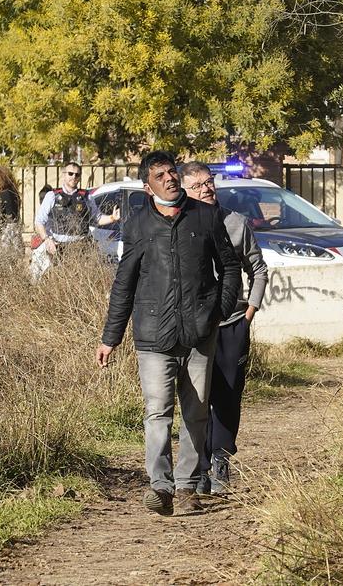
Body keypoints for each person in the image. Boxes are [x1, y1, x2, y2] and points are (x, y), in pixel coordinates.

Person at [96, 151, 241, 516]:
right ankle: (159, 486)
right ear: (148, 186)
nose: (170, 178)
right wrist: (110, 337)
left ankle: (187, 488)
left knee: (196, 412)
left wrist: (219, 310)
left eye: (172, 172)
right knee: (158, 410)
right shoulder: (138, 224)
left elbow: (229, 266)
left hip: (199, 332)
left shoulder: (206, 216)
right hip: (153, 335)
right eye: (160, 175)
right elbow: (124, 282)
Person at [179, 161, 268, 495]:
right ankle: (197, 467)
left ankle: (220, 460)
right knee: (196, 396)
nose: (208, 189)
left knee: (228, 395)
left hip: (232, 323)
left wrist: (249, 313)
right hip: (194, 327)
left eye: (210, 182)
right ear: (185, 189)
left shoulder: (235, 223)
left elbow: (258, 269)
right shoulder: (182, 224)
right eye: (199, 185)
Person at [30, 162, 119, 280]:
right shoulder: (52, 196)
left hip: (81, 247)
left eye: (77, 175)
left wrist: (112, 218)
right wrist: (47, 240)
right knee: (60, 282)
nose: (74, 177)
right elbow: (39, 221)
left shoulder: (86, 197)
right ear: (64, 175)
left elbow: (96, 218)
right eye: (70, 173)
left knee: (83, 281)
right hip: (59, 248)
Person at [0, 165, 22, 251]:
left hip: (6, 232)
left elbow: (1, 217)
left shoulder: (2, 195)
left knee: (6, 257)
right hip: (15, 229)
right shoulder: (14, 193)